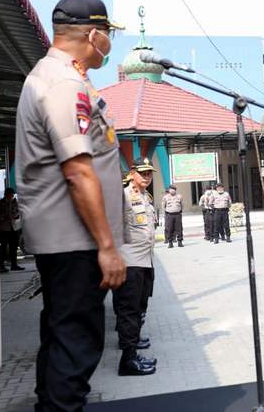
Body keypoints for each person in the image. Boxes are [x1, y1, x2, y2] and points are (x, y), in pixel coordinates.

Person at [15, 0, 127, 410]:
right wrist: (107, 247)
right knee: (75, 348)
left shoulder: (60, 77)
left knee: (62, 340)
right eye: (108, 36)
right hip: (76, 243)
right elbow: (79, 172)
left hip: (66, 241)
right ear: (95, 34)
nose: (109, 44)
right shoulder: (63, 83)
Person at [114, 159, 157, 376]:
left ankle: (133, 353)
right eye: (143, 173)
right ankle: (127, 361)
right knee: (129, 311)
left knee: (140, 308)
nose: (147, 177)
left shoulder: (145, 196)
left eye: (149, 173)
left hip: (145, 261)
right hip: (129, 262)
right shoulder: (123, 196)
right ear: (132, 173)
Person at [0, 188, 24, 272]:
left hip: (14, 228)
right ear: (6, 194)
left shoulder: (16, 203)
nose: (12, 196)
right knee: (3, 248)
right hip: (4, 228)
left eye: (12, 195)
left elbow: (19, 212)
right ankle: (1, 266)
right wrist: (4, 216)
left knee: (14, 247)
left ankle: (14, 265)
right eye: (10, 195)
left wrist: (16, 215)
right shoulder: (0, 203)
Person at [162, 183, 184, 248]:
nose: (172, 190)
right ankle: (170, 242)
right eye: (171, 189)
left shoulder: (179, 196)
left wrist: (180, 211)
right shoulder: (165, 197)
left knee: (179, 228)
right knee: (169, 228)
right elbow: (163, 206)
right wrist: (165, 214)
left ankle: (180, 242)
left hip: (177, 214)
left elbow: (182, 205)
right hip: (169, 215)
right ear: (169, 190)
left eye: (174, 189)